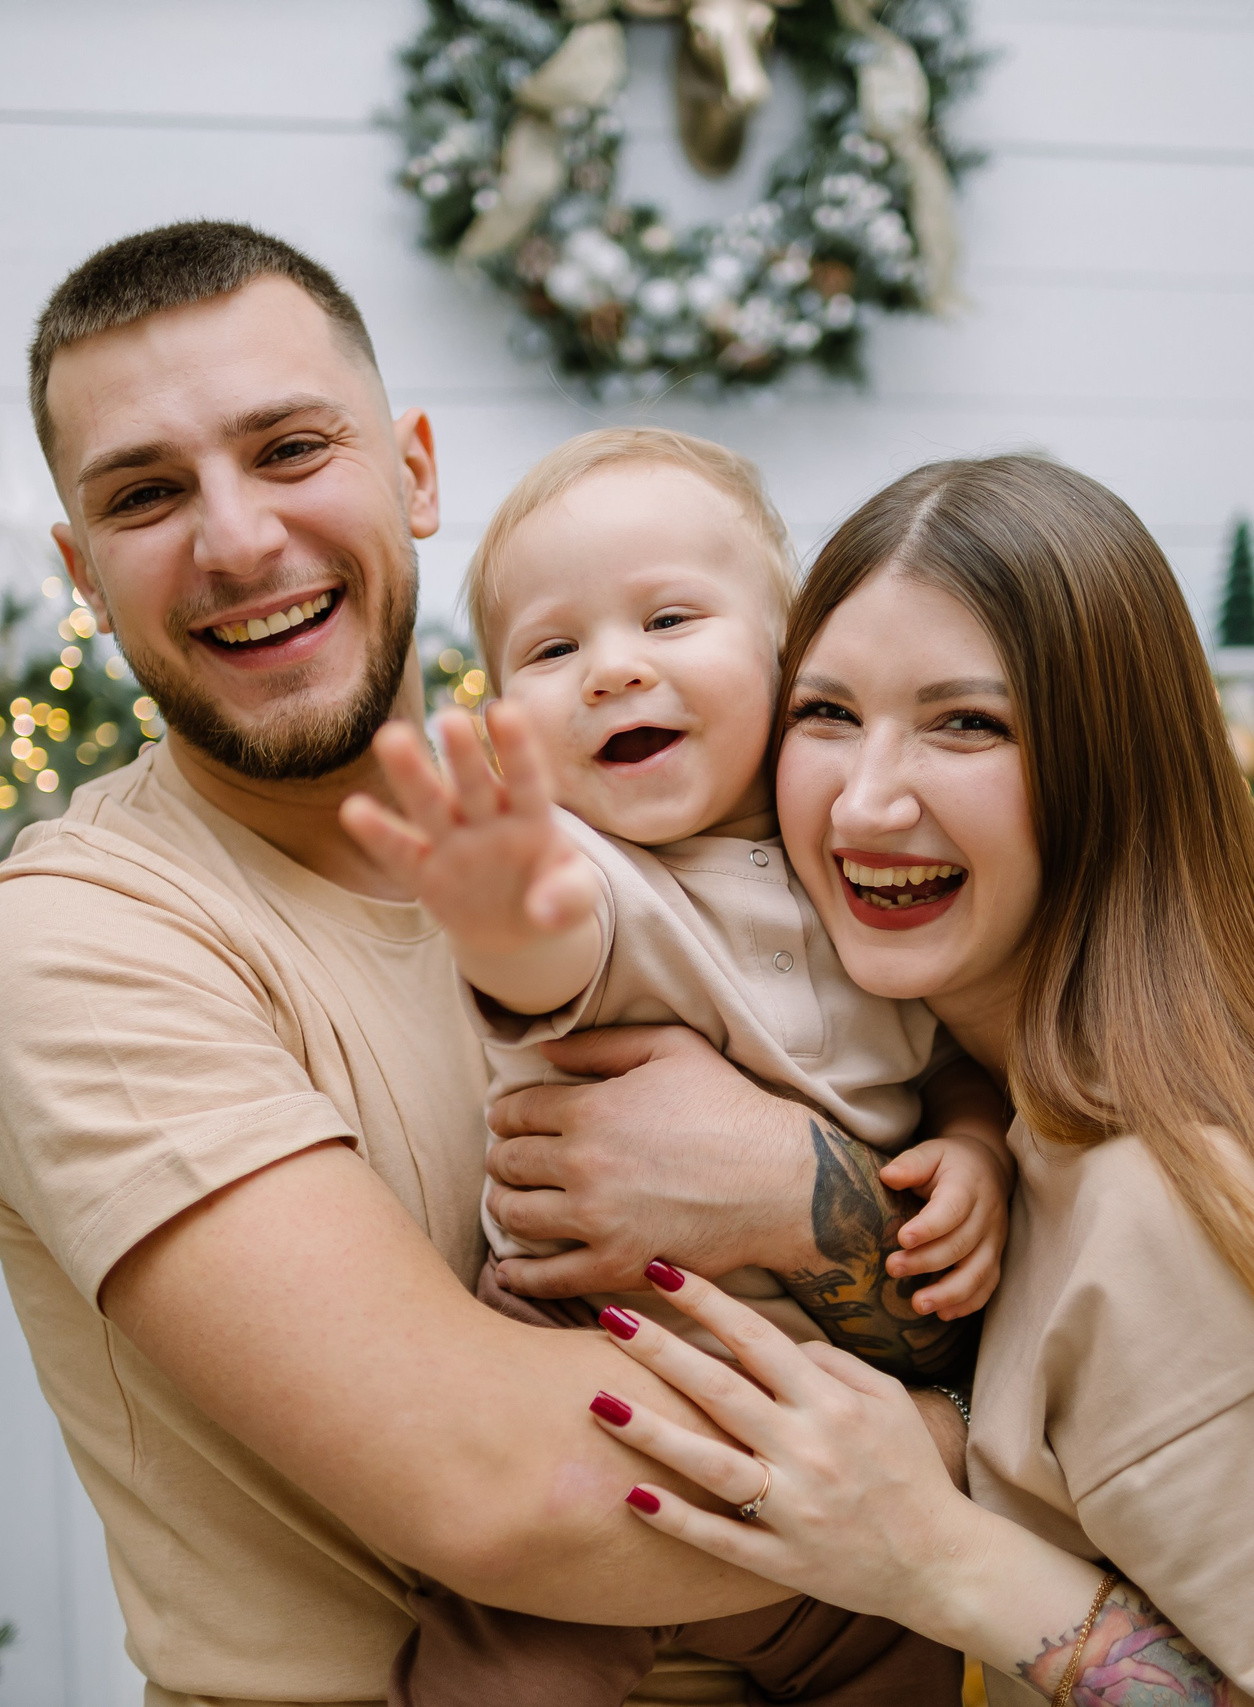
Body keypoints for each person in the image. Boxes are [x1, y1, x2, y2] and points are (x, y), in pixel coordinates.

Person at [0, 221, 965, 1706]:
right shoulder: (81, 943)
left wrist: (788, 1190)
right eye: (147, 494)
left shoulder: (681, 816)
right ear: (81, 570)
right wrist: (1032, 1445)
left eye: (290, 448)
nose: (235, 541)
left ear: (414, 470)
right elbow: (511, 1488)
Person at [574, 455, 1254, 1705]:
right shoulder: (988, 1120)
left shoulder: (1182, 1213)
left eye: (966, 722)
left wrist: (940, 1557)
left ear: (1110, 766)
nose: (866, 800)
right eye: (826, 713)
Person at [340, 427, 1016, 1703]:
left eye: (666, 618)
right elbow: (550, 952)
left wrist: (972, 1142)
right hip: (595, 1389)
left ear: (787, 655)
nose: (609, 671)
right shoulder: (595, 872)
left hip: (846, 1453)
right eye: (551, 649)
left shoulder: (863, 858)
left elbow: (948, 1047)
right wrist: (498, 905)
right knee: (504, 1670)